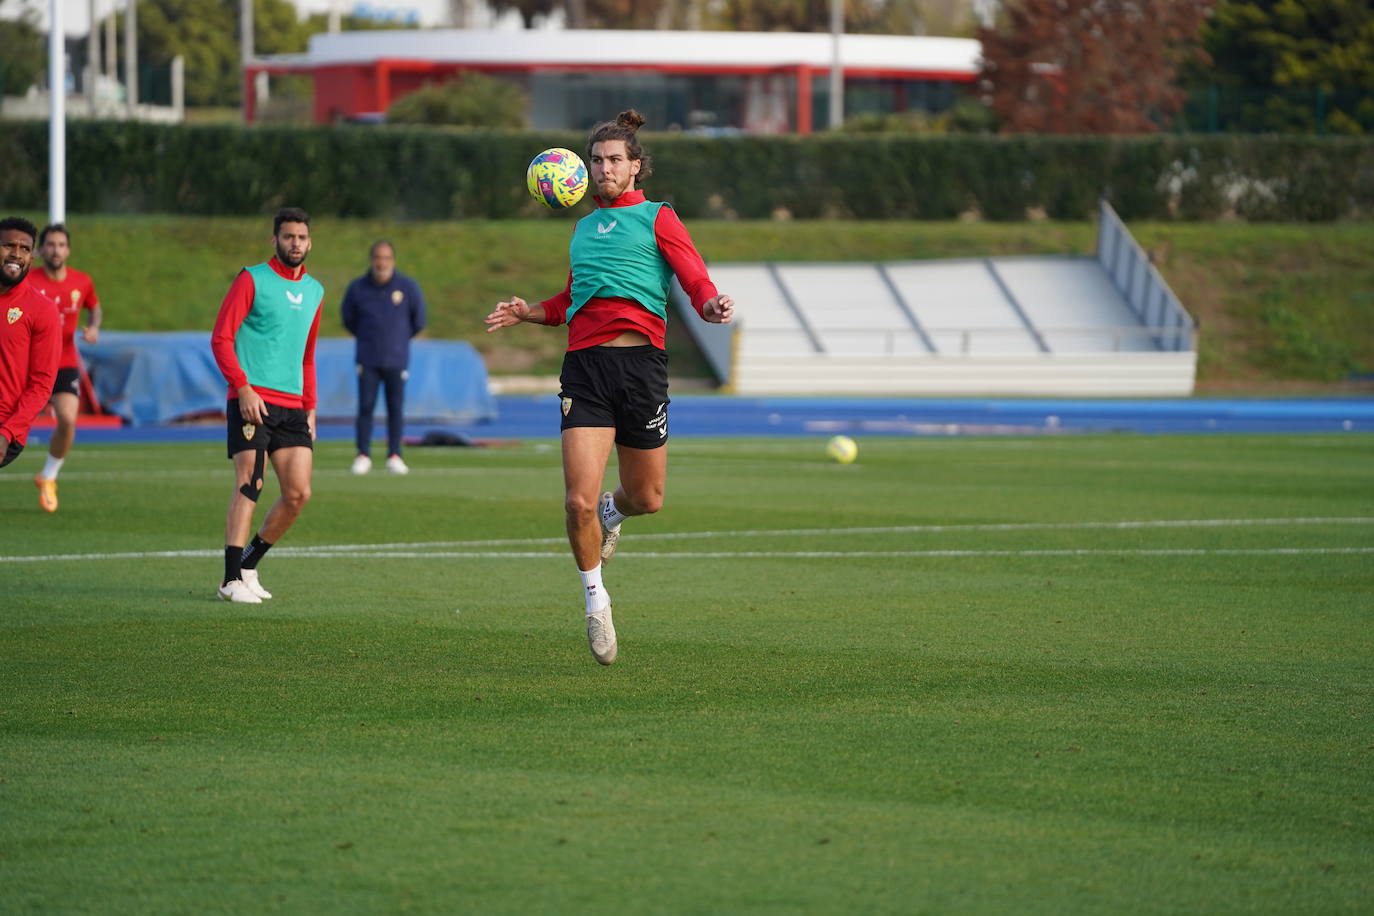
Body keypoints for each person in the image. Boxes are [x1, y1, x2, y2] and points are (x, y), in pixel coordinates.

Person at [484, 109, 735, 665]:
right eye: (596, 161)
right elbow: (570, 303)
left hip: (642, 369)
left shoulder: (657, 217)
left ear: (636, 168)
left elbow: (693, 274)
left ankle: (613, 513)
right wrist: (530, 312)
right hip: (585, 371)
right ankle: (596, 600)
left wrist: (709, 301)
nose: (603, 170)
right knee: (574, 502)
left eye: (614, 160)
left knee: (646, 497)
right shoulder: (580, 229)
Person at [209, 207, 324, 604]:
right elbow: (221, 339)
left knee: (298, 494)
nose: (295, 243)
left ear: (310, 242)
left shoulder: (315, 291)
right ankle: (228, 580)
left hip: (293, 406)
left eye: (302, 237)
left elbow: (307, 356)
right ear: (274, 240)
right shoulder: (251, 279)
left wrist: (310, 406)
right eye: (288, 237)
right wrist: (242, 388)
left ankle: (248, 565)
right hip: (252, 402)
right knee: (250, 484)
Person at [26, 223, 102, 512]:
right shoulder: (27, 280)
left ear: (68, 250)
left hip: (64, 362)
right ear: (41, 249)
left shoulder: (81, 281)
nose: (56, 250)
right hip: (28, 363)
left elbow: (94, 306)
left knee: (68, 420)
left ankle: (48, 476)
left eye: (61, 245)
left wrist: (93, 328)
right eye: (50, 244)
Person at [340, 240, 427, 475]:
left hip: (397, 358)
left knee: (395, 408)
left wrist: (397, 340)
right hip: (367, 358)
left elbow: (418, 320)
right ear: (372, 260)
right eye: (378, 258)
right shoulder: (358, 288)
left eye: (386, 258)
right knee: (365, 407)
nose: (382, 262)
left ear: (393, 260)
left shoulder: (407, 287)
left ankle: (394, 454)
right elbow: (348, 319)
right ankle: (363, 454)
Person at [0, 217, 62, 475]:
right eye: (8, 246)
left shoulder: (42, 309)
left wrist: (7, 432)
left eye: (25, 248)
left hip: (5, 425)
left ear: (31, 258)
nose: (16, 254)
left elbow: (42, 384)